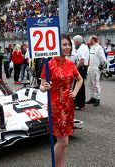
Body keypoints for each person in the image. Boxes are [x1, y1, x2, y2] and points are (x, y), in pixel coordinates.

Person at [40, 34, 83, 167]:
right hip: (56, 107)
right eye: (64, 44)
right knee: (63, 142)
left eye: (69, 44)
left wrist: (74, 92)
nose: (68, 47)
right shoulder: (49, 64)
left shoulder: (70, 64)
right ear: (56, 46)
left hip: (68, 105)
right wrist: (44, 87)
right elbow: (41, 87)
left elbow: (79, 79)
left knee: (64, 142)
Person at [86, 36, 106, 106]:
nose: (88, 41)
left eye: (89, 39)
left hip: (95, 68)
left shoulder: (99, 48)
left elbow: (103, 60)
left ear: (93, 40)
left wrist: (101, 68)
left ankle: (97, 99)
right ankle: (92, 97)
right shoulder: (92, 47)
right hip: (90, 67)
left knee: (96, 84)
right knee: (89, 83)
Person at [73, 35, 90, 111]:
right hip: (83, 68)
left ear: (77, 42)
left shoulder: (81, 48)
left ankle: (80, 104)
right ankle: (80, 103)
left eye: (74, 42)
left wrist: (75, 69)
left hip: (81, 68)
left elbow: (82, 60)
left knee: (78, 86)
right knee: (81, 86)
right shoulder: (84, 47)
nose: (74, 43)